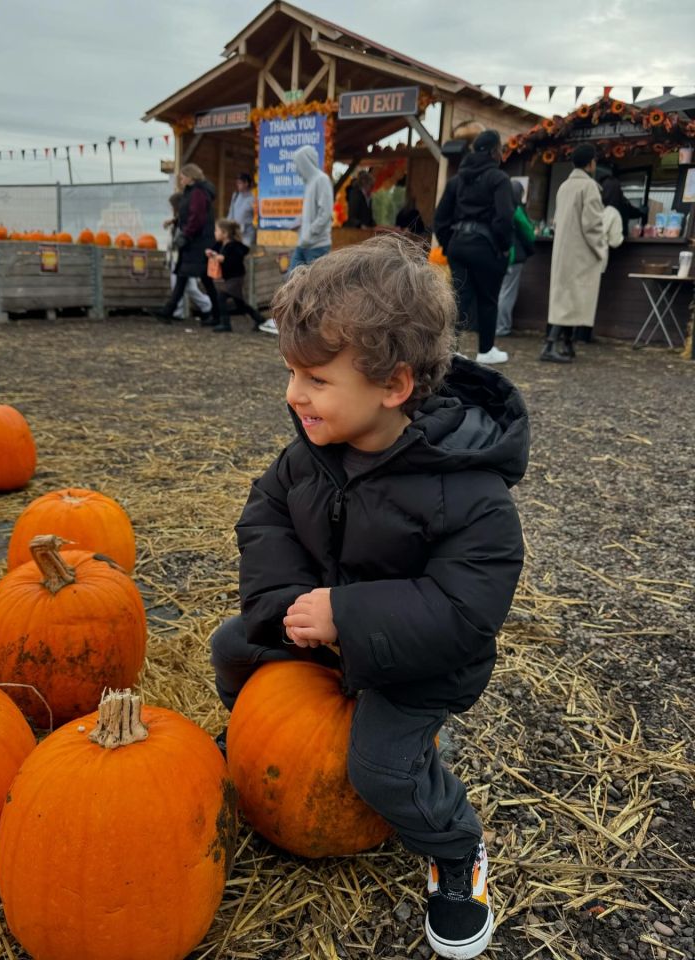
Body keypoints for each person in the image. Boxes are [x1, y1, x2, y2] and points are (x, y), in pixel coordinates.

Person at [210, 235, 528, 960]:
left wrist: (347, 618)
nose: (293, 395)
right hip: (323, 632)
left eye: (315, 379)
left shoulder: (472, 495)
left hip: (416, 663)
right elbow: (264, 515)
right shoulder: (312, 450)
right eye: (290, 372)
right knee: (231, 647)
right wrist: (292, 602)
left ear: (394, 386)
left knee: (379, 767)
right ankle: (253, 739)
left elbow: (461, 613)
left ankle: (456, 852)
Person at [433, 130, 515, 365]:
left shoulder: (457, 180)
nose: (501, 153)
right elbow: (505, 217)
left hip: (458, 243)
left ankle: (450, 349)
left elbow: (440, 217)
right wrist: (503, 247)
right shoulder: (499, 179)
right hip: (486, 245)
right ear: (493, 152)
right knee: (488, 299)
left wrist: (449, 244)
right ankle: (486, 349)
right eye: (500, 149)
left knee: (459, 298)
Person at [541, 144, 607, 363]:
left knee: (564, 296)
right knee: (572, 299)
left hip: (563, 251)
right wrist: (601, 249)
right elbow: (593, 225)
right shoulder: (590, 187)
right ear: (590, 163)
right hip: (581, 252)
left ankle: (567, 344)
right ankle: (550, 345)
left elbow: (558, 220)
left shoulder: (564, 186)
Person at [258, 144, 333, 336]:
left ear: (305, 163)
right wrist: (298, 223)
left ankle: (315, 326)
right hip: (305, 244)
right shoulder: (309, 184)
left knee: (316, 288)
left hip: (316, 245)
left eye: (298, 164)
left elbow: (325, 214)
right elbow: (309, 214)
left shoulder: (321, 180)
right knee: (292, 281)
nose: (296, 168)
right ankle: (286, 320)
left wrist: (309, 235)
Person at [157, 164, 219, 326]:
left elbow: (196, 218)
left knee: (190, 277)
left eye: (183, 177)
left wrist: (185, 235)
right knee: (190, 278)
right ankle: (215, 314)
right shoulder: (194, 192)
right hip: (197, 242)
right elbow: (189, 215)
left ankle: (169, 312)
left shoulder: (197, 193)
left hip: (197, 243)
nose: (181, 180)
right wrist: (176, 221)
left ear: (191, 177)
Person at [205, 219, 265, 333]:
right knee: (240, 303)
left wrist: (223, 258)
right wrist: (210, 253)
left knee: (221, 296)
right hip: (229, 277)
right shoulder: (221, 244)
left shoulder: (234, 246)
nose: (215, 233)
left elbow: (236, 257)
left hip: (236, 277)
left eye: (217, 230)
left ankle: (225, 323)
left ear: (225, 233)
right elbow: (214, 250)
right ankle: (259, 319)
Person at [496, 181, 535, 337]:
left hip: (498, 255)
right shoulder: (516, 210)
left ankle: (496, 326)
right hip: (514, 256)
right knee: (507, 293)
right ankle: (502, 327)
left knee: (500, 291)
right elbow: (529, 232)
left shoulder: (498, 206)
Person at [227, 172, 256, 247]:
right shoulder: (235, 195)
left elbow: (256, 218)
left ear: (246, 183)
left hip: (248, 234)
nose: (237, 185)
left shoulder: (254, 198)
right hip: (235, 233)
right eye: (237, 183)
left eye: (239, 183)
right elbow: (231, 214)